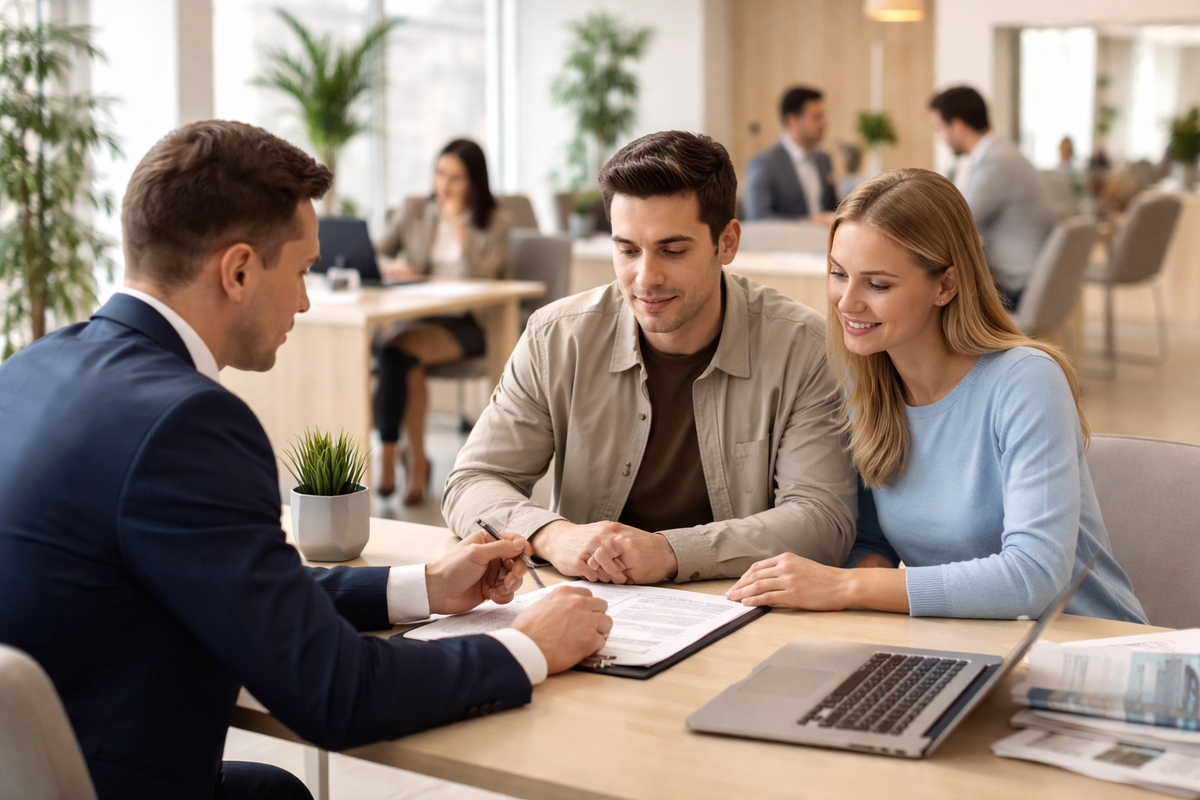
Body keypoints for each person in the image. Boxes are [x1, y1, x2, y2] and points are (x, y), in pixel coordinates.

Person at [0, 121, 612, 800]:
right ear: (237, 270)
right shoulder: (188, 422)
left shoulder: (31, 368)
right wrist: (526, 645)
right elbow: (335, 693)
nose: (305, 299)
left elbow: (239, 585)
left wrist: (423, 587)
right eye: (301, 270)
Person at [726, 168, 1147, 625]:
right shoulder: (863, 386)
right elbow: (870, 543)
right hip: (973, 644)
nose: (846, 301)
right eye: (838, 273)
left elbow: (1033, 577)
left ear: (945, 285)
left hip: (1090, 650)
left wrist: (845, 586)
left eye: (877, 284)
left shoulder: (1026, 381)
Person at [443, 130, 858, 586]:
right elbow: (473, 480)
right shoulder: (556, 338)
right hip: (593, 606)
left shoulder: (804, 348)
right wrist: (554, 536)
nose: (645, 277)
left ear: (727, 243)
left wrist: (669, 552)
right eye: (627, 250)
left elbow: (823, 520)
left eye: (672, 250)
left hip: (737, 604)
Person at [373, 139, 512, 504]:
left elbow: (486, 274)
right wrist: (393, 266)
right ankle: (414, 459)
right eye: (439, 173)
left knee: (394, 352)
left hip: (471, 321)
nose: (444, 185)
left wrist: (458, 225)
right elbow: (377, 251)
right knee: (401, 358)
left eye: (455, 177)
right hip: (422, 317)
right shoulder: (414, 210)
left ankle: (395, 458)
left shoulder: (496, 221)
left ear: (475, 183)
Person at [929, 86, 1055, 310]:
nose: (940, 138)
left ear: (957, 127)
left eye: (939, 129)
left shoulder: (995, 162)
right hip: (1026, 277)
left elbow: (953, 219)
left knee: (928, 294)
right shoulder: (1000, 152)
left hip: (1012, 286)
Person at [743, 86, 837, 222]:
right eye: (817, 117)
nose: (824, 123)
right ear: (791, 120)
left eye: (823, 116)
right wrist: (807, 222)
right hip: (785, 242)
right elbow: (758, 217)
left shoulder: (824, 159)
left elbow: (833, 208)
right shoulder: (765, 163)